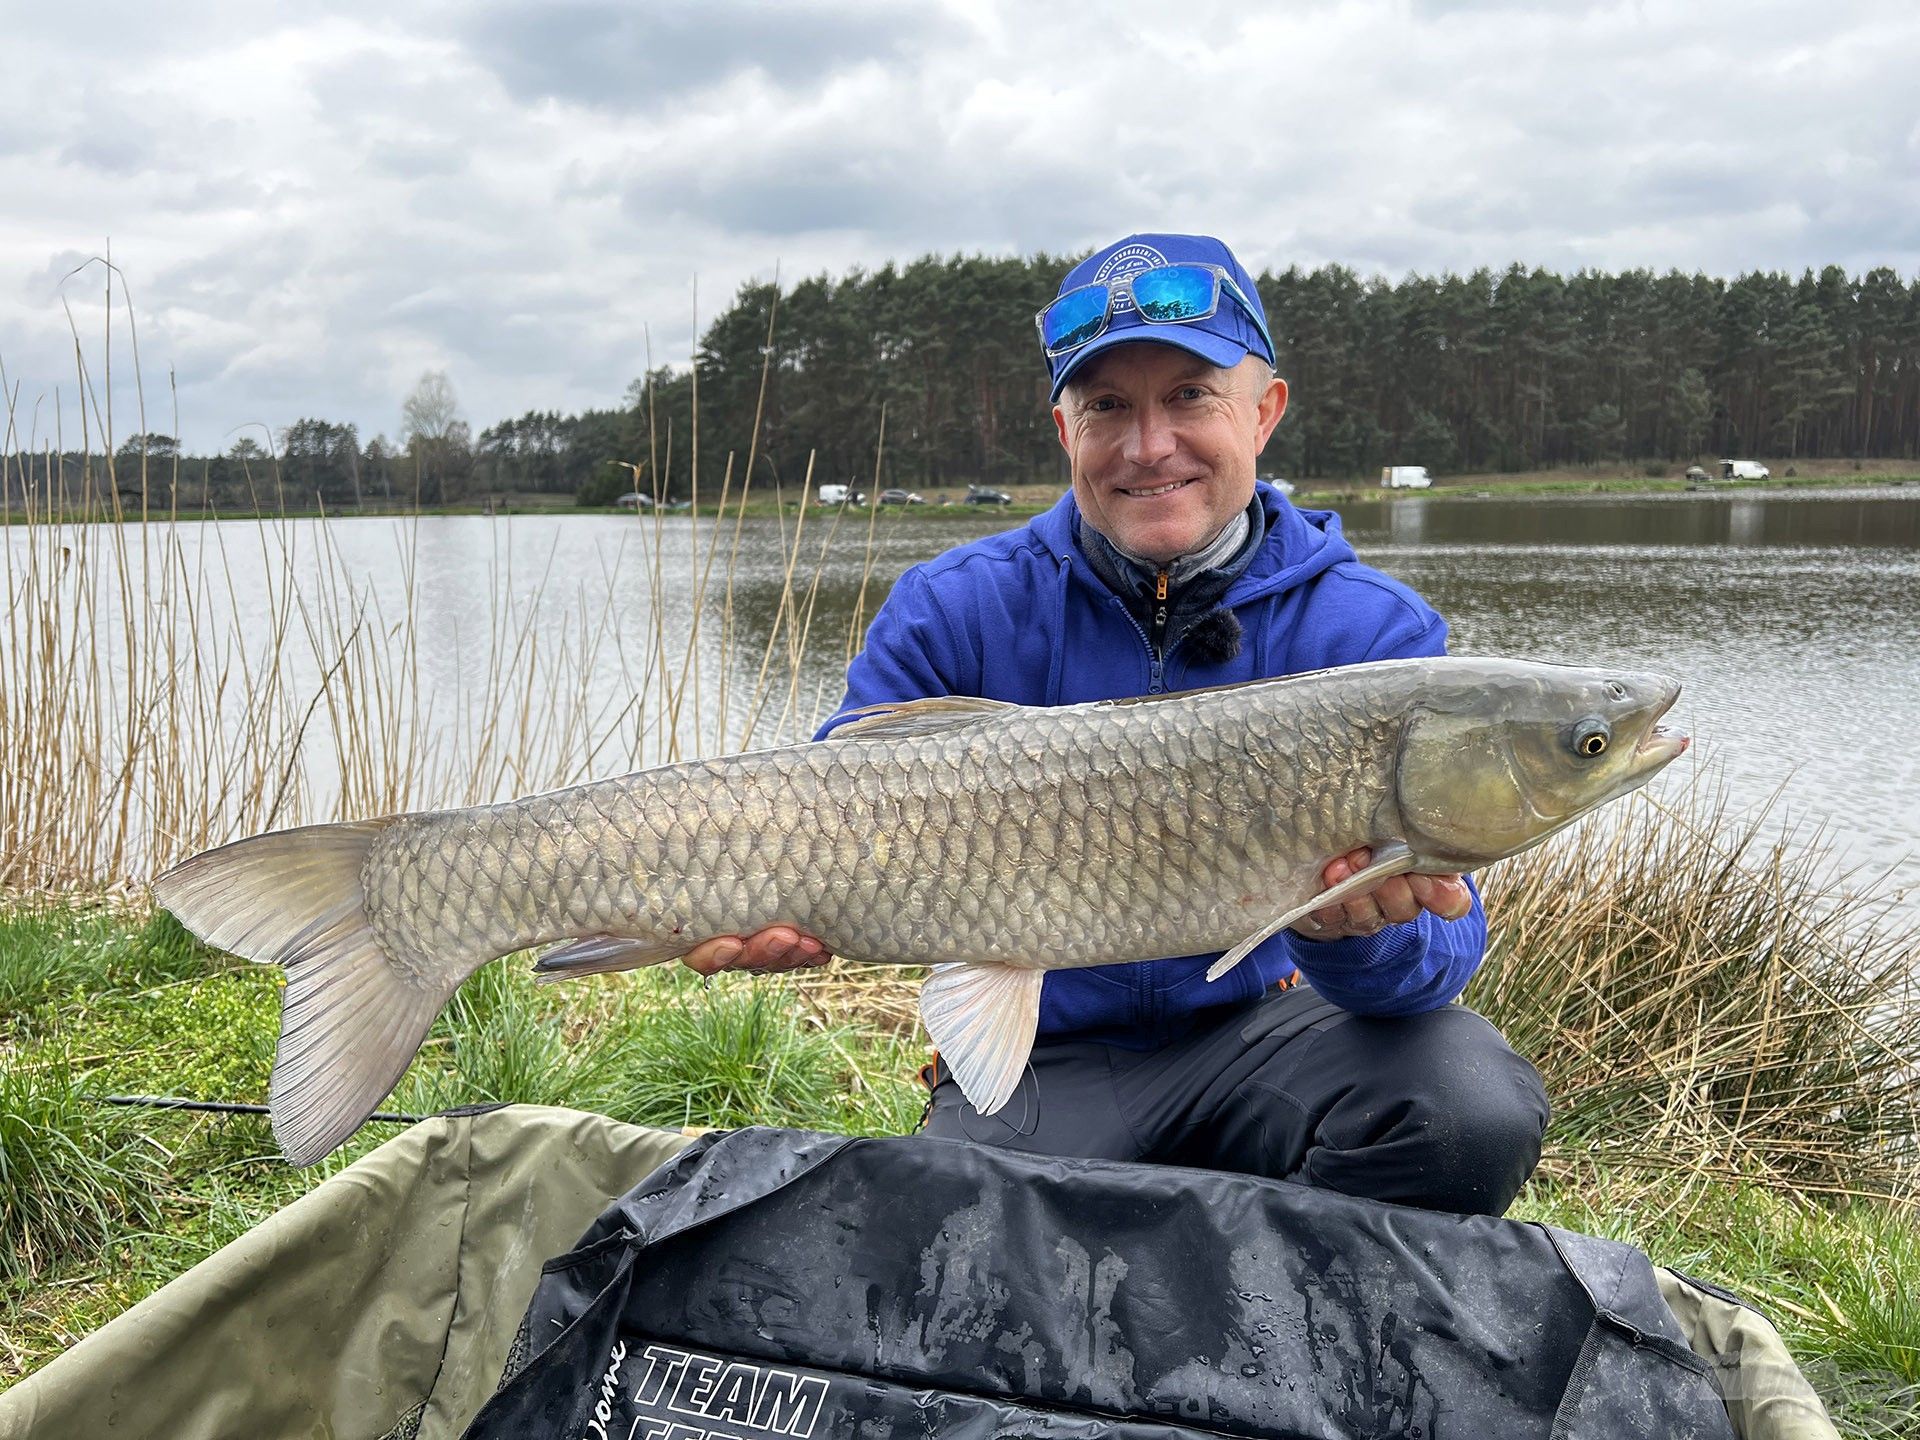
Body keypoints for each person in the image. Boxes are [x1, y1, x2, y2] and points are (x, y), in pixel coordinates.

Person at [680, 233, 1550, 1217]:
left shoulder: (1370, 633)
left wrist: (1352, 939)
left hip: (1267, 1037)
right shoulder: (953, 608)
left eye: (1189, 396)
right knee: (970, 1227)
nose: (1149, 446)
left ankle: (1286, 1283)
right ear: (1065, 431)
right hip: (1044, 1047)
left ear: (1264, 411)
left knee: (1467, 1107)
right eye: (1107, 408)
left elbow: (1435, 964)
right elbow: (830, 814)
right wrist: (751, 899)